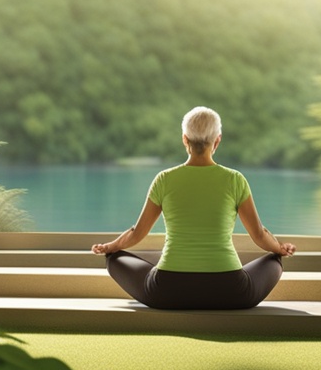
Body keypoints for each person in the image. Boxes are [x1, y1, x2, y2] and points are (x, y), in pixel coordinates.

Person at [92, 106, 296, 310]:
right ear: (217, 140)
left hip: (167, 291)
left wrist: (110, 247)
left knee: (115, 259)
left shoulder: (164, 179)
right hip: (231, 291)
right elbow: (259, 235)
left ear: (184, 139)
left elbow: (137, 233)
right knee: (274, 261)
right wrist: (279, 249)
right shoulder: (235, 180)